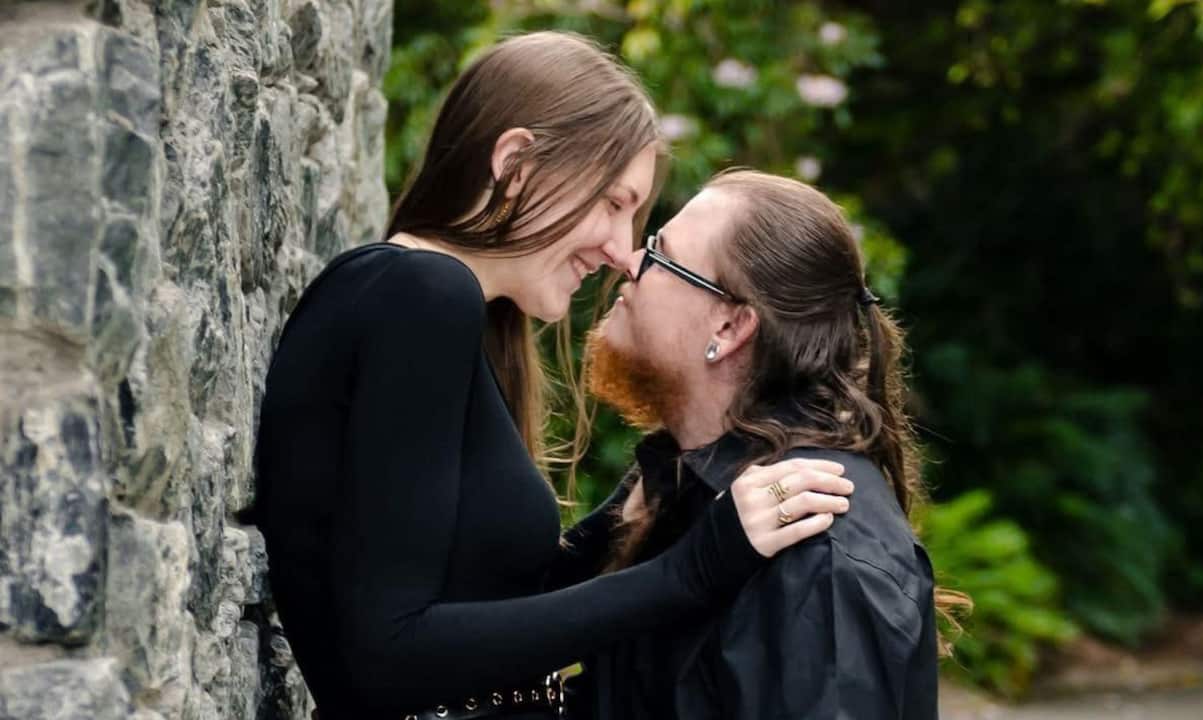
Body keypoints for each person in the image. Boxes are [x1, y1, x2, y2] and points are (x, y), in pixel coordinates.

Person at [251, 33, 853, 720]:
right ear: (515, 163)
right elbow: (388, 656)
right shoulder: (421, 297)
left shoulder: (436, 309)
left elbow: (478, 607)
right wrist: (696, 568)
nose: (622, 252)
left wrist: (622, 517)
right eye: (614, 203)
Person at [568, 169, 960, 719]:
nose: (629, 262)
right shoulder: (692, 487)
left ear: (730, 327)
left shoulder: (813, 548)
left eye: (660, 253)